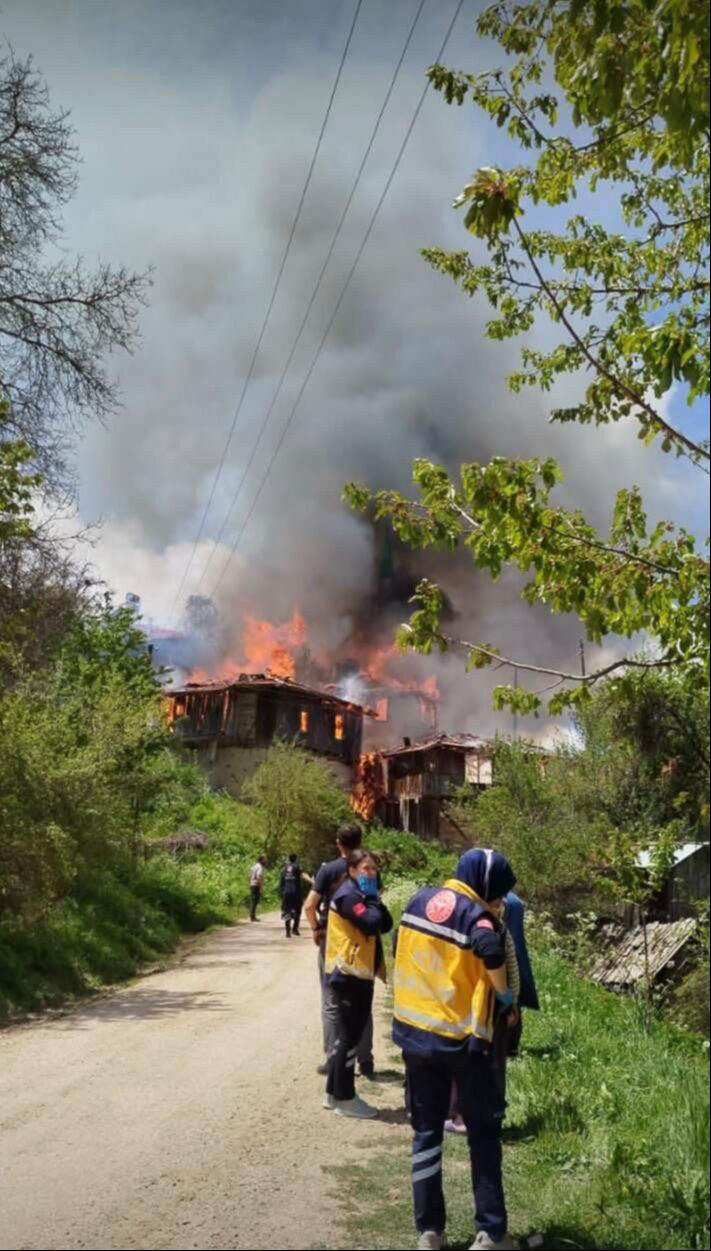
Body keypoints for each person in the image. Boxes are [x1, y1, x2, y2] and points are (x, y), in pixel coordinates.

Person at [393, 848, 521, 1251]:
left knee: (426, 1134)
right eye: (497, 894)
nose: (499, 902)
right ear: (486, 888)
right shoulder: (478, 917)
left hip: (415, 1035)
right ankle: (490, 1233)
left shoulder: (418, 900)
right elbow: (490, 948)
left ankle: (429, 1232)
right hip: (465, 1043)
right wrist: (503, 996)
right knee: (482, 1135)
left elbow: (400, 943)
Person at [323, 849, 393, 1120]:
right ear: (351, 870)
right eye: (365, 869)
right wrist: (374, 898)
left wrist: (375, 898)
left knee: (346, 1036)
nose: (371, 874)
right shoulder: (349, 896)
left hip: (356, 973)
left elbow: (385, 923)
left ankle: (333, 1092)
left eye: (374, 869)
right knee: (349, 1037)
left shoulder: (362, 895)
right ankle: (345, 1097)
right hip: (348, 974)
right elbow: (372, 921)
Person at [304, 823, 377, 1078]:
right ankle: (365, 1060)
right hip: (365, 942)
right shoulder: (368, 867)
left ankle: (332, 1058)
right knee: (363, 1000)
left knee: (331, 1001)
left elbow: (309, 905)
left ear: (338, 843)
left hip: (334, 943)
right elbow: (375, 905)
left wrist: (315, 929)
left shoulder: (328, 870)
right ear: (360, 841)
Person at [503, 890, 539, 1056]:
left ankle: (507, 1047)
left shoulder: (507, 902)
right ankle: (511, 1047)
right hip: (512, 954)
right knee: (511, 993)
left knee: (505, 994)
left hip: (499, 954)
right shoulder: (514, 901)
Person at [279, 854, 312, 938]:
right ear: (296, 859)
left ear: (288, 859)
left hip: (286, 892)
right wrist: (312, 882)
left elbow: (281, 882)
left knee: (287, 911)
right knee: (298, 910)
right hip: (295, 892)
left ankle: (287, 932)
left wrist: (282, 893)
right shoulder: (297, 866)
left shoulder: (284, 869)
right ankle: (295, 929)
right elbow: (303, 875)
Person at [249, 855, 266, 922]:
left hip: (252, 884)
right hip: (256, 884)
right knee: (255, 900)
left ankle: (252, 915)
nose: (265, 861)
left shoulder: (254, 866)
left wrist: (249, 883)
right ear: (261, 860)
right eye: (264, 859)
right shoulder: (260, 867)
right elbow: (258, 876)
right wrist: (260, 887)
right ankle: (252, 916)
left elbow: (249, 875)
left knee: (253, 900)